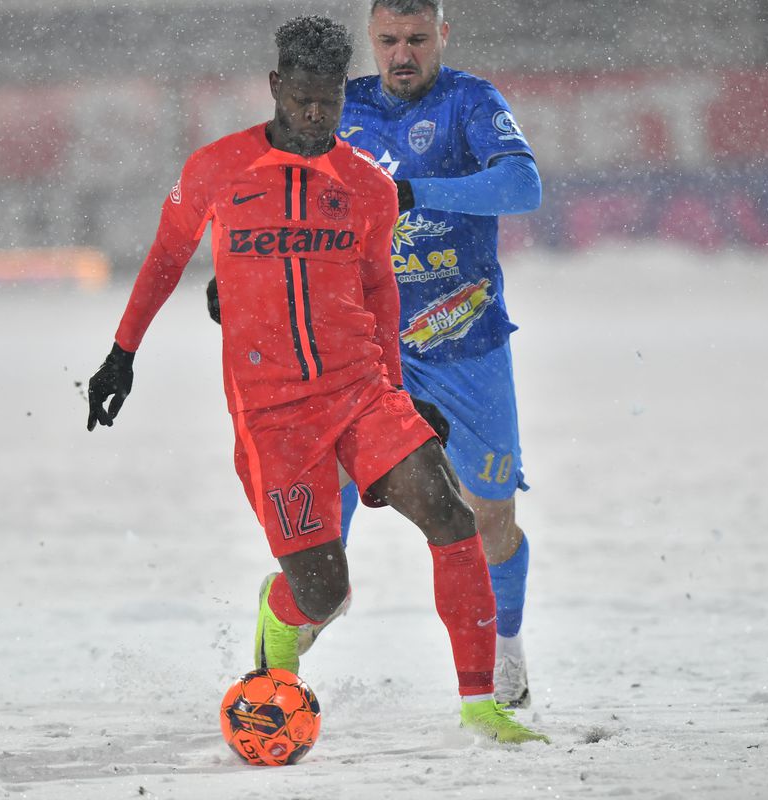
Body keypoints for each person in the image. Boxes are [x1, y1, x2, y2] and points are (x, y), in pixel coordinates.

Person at [86, 15, 546, 744]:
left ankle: (491, 690)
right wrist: (137, 346)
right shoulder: (235, 160)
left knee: (468, 517)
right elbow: (188, 250)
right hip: (298, 394)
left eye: (327, 100)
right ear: (278, 87)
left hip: (410, 367)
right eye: (302, 98)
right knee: (324, 582)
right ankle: (283, 639)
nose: (315, 114)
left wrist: (400, 386)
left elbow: (404, 271)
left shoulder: (412, 149)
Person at [208, 0, 544, 708]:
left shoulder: (471, 103)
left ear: (442, 37)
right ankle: (276, 670)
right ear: (370, 40)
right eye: (389, 40)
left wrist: (415, 191)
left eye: (418, 40)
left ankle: (507, 657)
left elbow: (523, 185)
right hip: (358, 352)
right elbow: (266, 191)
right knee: (323, 538)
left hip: (464, 343)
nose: (403, 55)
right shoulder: (339, 109)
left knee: (487, 518)